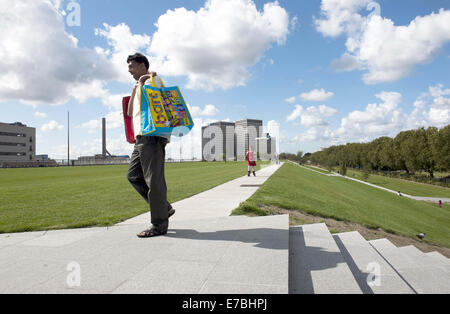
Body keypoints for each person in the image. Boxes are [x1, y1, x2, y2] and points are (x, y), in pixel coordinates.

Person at [125, 52, 174, 238]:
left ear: (142, 65)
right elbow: (130, 112)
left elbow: (160, 100)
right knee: (133, 176)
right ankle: (164, 207)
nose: (129, 70)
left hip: (152, 136)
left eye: (132, 66)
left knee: (154, 181)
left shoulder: (155, 80)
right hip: (140, 137)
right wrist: (136, 86)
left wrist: (149, 77)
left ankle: (159, 225)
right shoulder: (138, 85)